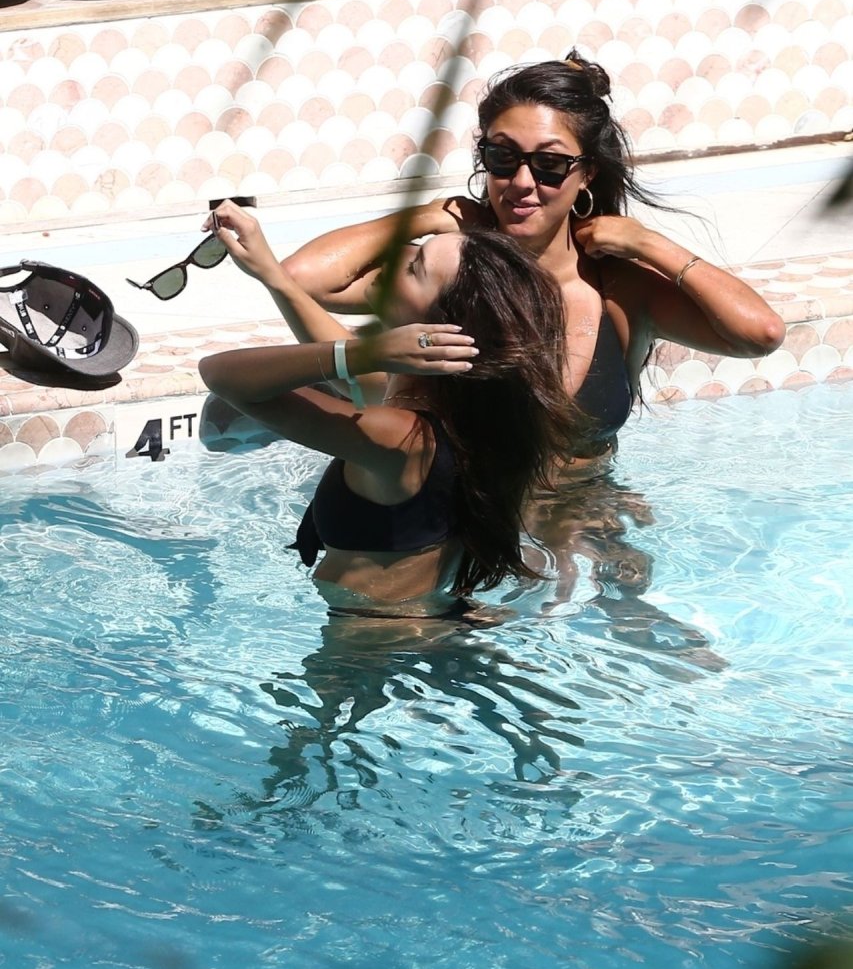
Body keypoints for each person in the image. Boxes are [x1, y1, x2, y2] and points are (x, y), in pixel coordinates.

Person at [280, 49, 786, 464]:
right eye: (503, 157)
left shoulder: (619, 290)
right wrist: (432, 214)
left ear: (587, 173)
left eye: (550, 164)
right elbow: (304, 277)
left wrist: (650, 244)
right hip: (476, 525)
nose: (522, 182)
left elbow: (759, 334)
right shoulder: (449, 272)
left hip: (585, 513)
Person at [198, 201, 579, 618]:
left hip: (374, 647)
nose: (396, 258)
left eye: (415, 267)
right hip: (426, 626)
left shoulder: (401, 437)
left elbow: (221, 376)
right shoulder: (452, 414)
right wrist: (272, 274)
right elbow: (347, 368)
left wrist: (365, 352)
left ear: (438, 326)